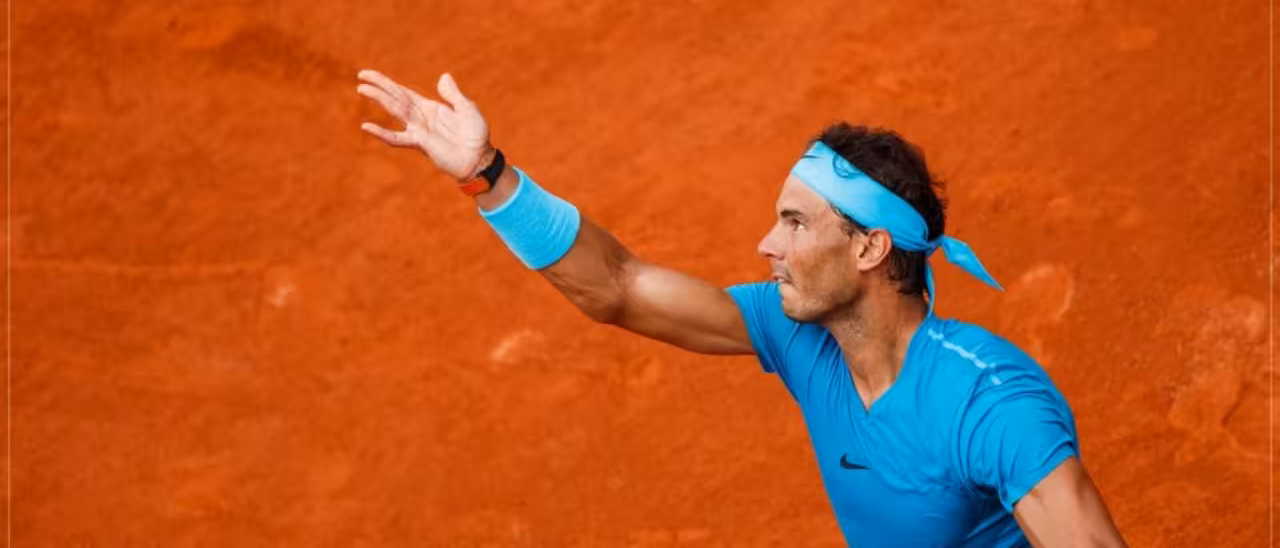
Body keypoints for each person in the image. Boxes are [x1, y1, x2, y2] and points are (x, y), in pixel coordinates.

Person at [356, 69, 1128, 548]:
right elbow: (618, 286)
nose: (767, 244)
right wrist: (488, 176)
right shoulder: (801, 337)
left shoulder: (986, 400)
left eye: (795, 224)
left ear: (869, 249)